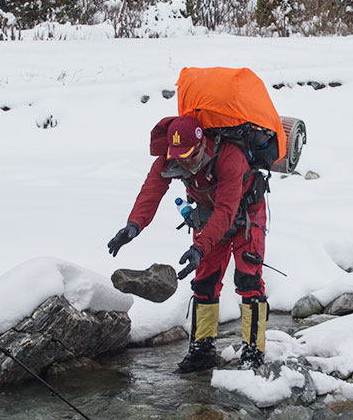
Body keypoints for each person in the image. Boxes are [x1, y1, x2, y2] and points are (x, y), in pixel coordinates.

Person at [110, 115, 268, 373]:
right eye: (179, 158)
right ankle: (202, 349)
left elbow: (226, 211)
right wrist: (133, 225)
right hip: (208, 214)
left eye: (190, 157)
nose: (184, 163)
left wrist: (199, 247)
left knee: (248, 279)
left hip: (247, 214)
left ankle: (253, 353)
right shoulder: (172, 156)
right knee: (204, 282)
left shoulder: (230, 158)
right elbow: (151, 190)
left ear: (202, 144)